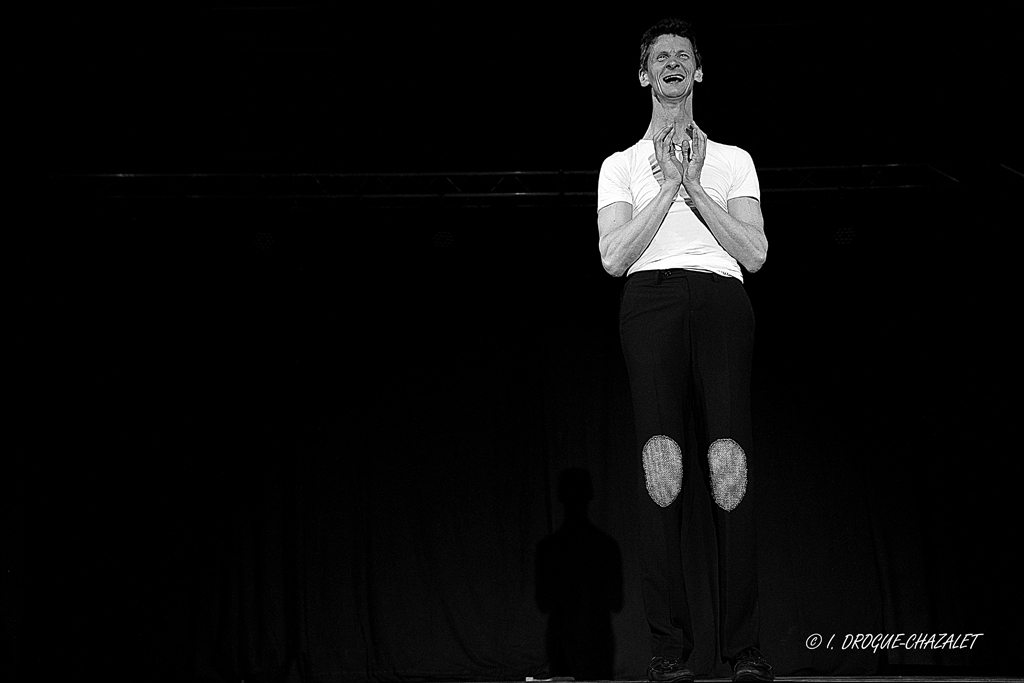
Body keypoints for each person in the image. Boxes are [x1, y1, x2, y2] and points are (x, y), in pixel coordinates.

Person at [596, 17, 773, 683]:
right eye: (659, 57)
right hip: (650, 303)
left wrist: (695, 183)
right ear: (644, 76)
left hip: (723, 301)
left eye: (683, 56)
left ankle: (743, 647)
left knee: (731, 466)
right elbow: (613, 257)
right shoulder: (618, 167)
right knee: (661, 469)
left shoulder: (732, 160)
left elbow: (753, 252)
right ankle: (668, 648)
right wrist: (666, 183)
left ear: (698, 72)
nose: (671, 63)